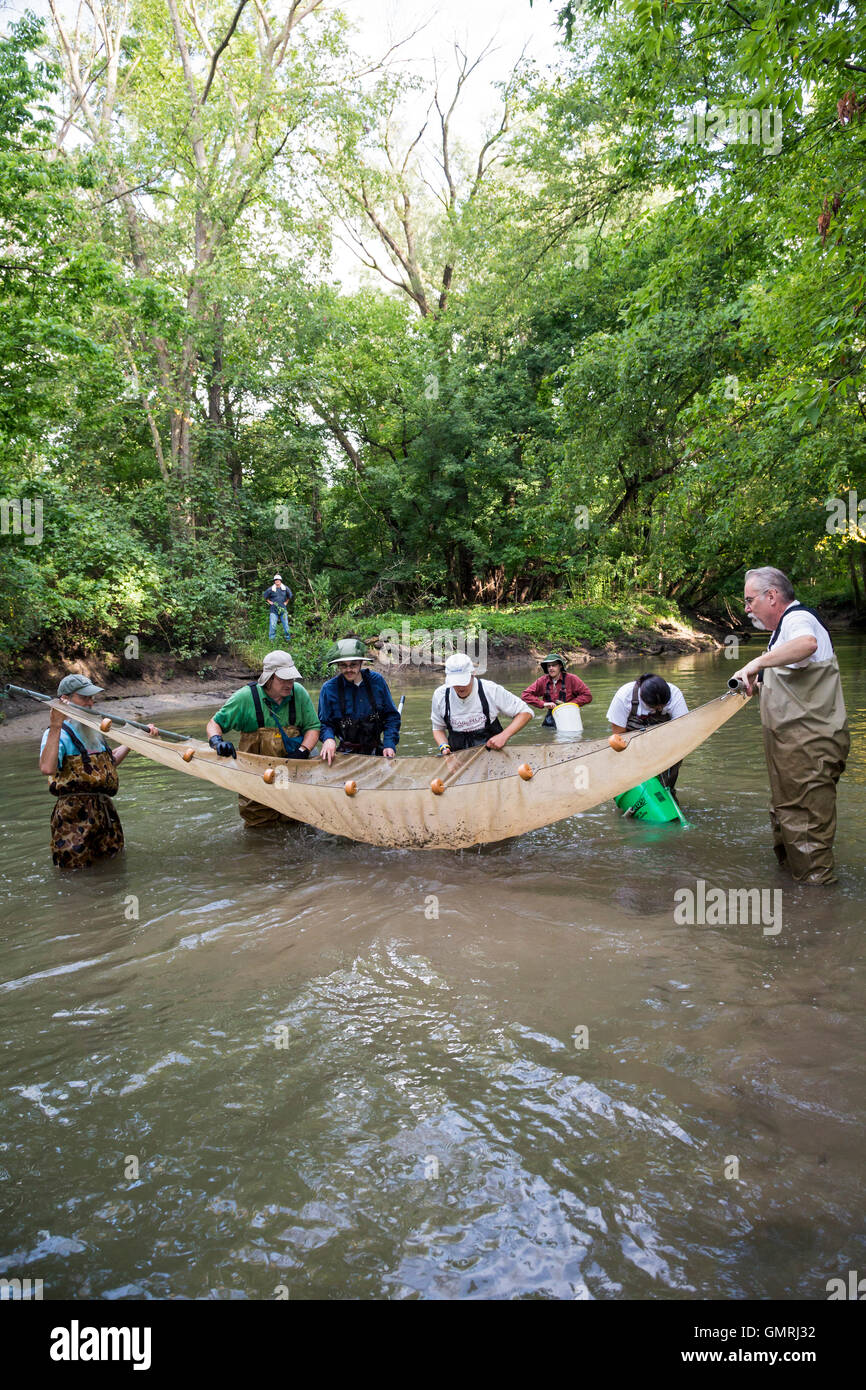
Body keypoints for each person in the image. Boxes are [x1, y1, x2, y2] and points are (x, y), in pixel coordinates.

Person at [731, 566, 849, 884]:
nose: (746, 608)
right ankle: (794, 895)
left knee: (807, 830)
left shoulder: (799, 620)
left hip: (808, 749)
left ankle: (817, 914)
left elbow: (807, 644)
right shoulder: (781, 630)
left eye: (749, 600)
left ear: (772, 596)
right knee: (787, 821)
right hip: (792, 751)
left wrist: (756, 662)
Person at [38, 674, 158, 870]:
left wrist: (136, 738)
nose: (91, 702)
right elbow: (47, 768)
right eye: (84, 698)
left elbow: (108, 764)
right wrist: (55, 724)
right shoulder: (58, 733)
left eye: (92, 697)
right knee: (75, 871)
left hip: (104, 811)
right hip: (73, 815)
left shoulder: (94, 732)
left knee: (112, 864)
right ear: (65, 700)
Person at [206, 651, 320, 826]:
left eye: (292, 679)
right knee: (258, 820)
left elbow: (313, 727)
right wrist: (217, 741)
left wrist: (303, 751)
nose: (290, 684)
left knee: (296, 817)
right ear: (269, 678)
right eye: (283, 679)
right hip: (255, 774)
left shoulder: (299, 693)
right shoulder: (245, 697)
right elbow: (215, 723)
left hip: (291, 771)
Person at [318, 638, 401, 764]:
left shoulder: (377, 681)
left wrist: (389, 744)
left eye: (353, 664)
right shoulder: (329, 689)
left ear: (361, 662)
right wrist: (328, 739)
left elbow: (392, 717)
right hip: (345, 753)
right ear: (338, 666)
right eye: (343, 666)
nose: (348, 670)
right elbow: (324, 724)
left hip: (377, 751)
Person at [432, 653, 533, 752]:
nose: (460, 687)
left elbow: (525, 712)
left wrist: (504, 736)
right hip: (458, 757)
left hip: (491, 753)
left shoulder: (490, 690)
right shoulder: (440, 695)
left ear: (473, 674)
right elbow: (438, 728)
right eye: (455, 682)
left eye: (463, 681)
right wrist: (444, 747)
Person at [606, 673, 689, 791]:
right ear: (641, 696)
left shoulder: (675, 694)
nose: (659, 710)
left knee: (665, 786)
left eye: (662, 706)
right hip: (634, 743)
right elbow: (619, 737)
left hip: (666, 740)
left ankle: (668, 795)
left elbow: (683, 732)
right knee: (634, 778)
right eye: (654, 707)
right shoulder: (624, 697)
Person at [521, 654, 593, 728]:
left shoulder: (572, 679)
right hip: (551, 717)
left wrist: (568, 705)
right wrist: (543, 704)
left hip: (570, 716)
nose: (551, 668)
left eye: (554, 665)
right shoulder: (542, 681)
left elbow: (587, 696)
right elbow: (525, 695)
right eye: (549, 666)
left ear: (560, 666)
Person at [263, 574, 292, 641]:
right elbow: (265, 596)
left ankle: (288, 639)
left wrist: (286, 602)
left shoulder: (285, 588)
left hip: (283, 609)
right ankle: (272, 640)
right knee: (273, 625)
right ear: (274, 581)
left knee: (286, 625)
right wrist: (269, 601)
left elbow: (289, 596)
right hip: (273, 610)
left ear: (280, 580)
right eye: (275, 580)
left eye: (278, 580)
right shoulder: (271, 589)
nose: (277, 581)